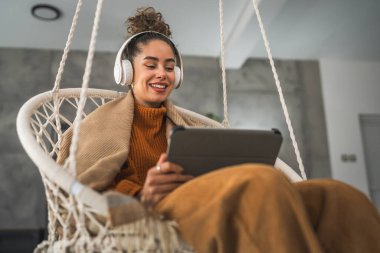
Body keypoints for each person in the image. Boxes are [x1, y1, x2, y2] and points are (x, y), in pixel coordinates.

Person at [57, 7, 380, 253]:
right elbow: (78, 197)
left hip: (212, 195)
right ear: (126, 71)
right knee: (259, 182)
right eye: (151, 64)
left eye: (170, 67)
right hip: (158, 211)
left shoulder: (190, 128)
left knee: (338, 195)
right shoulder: (96, 128)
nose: (162, 74)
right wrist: (142, 194)